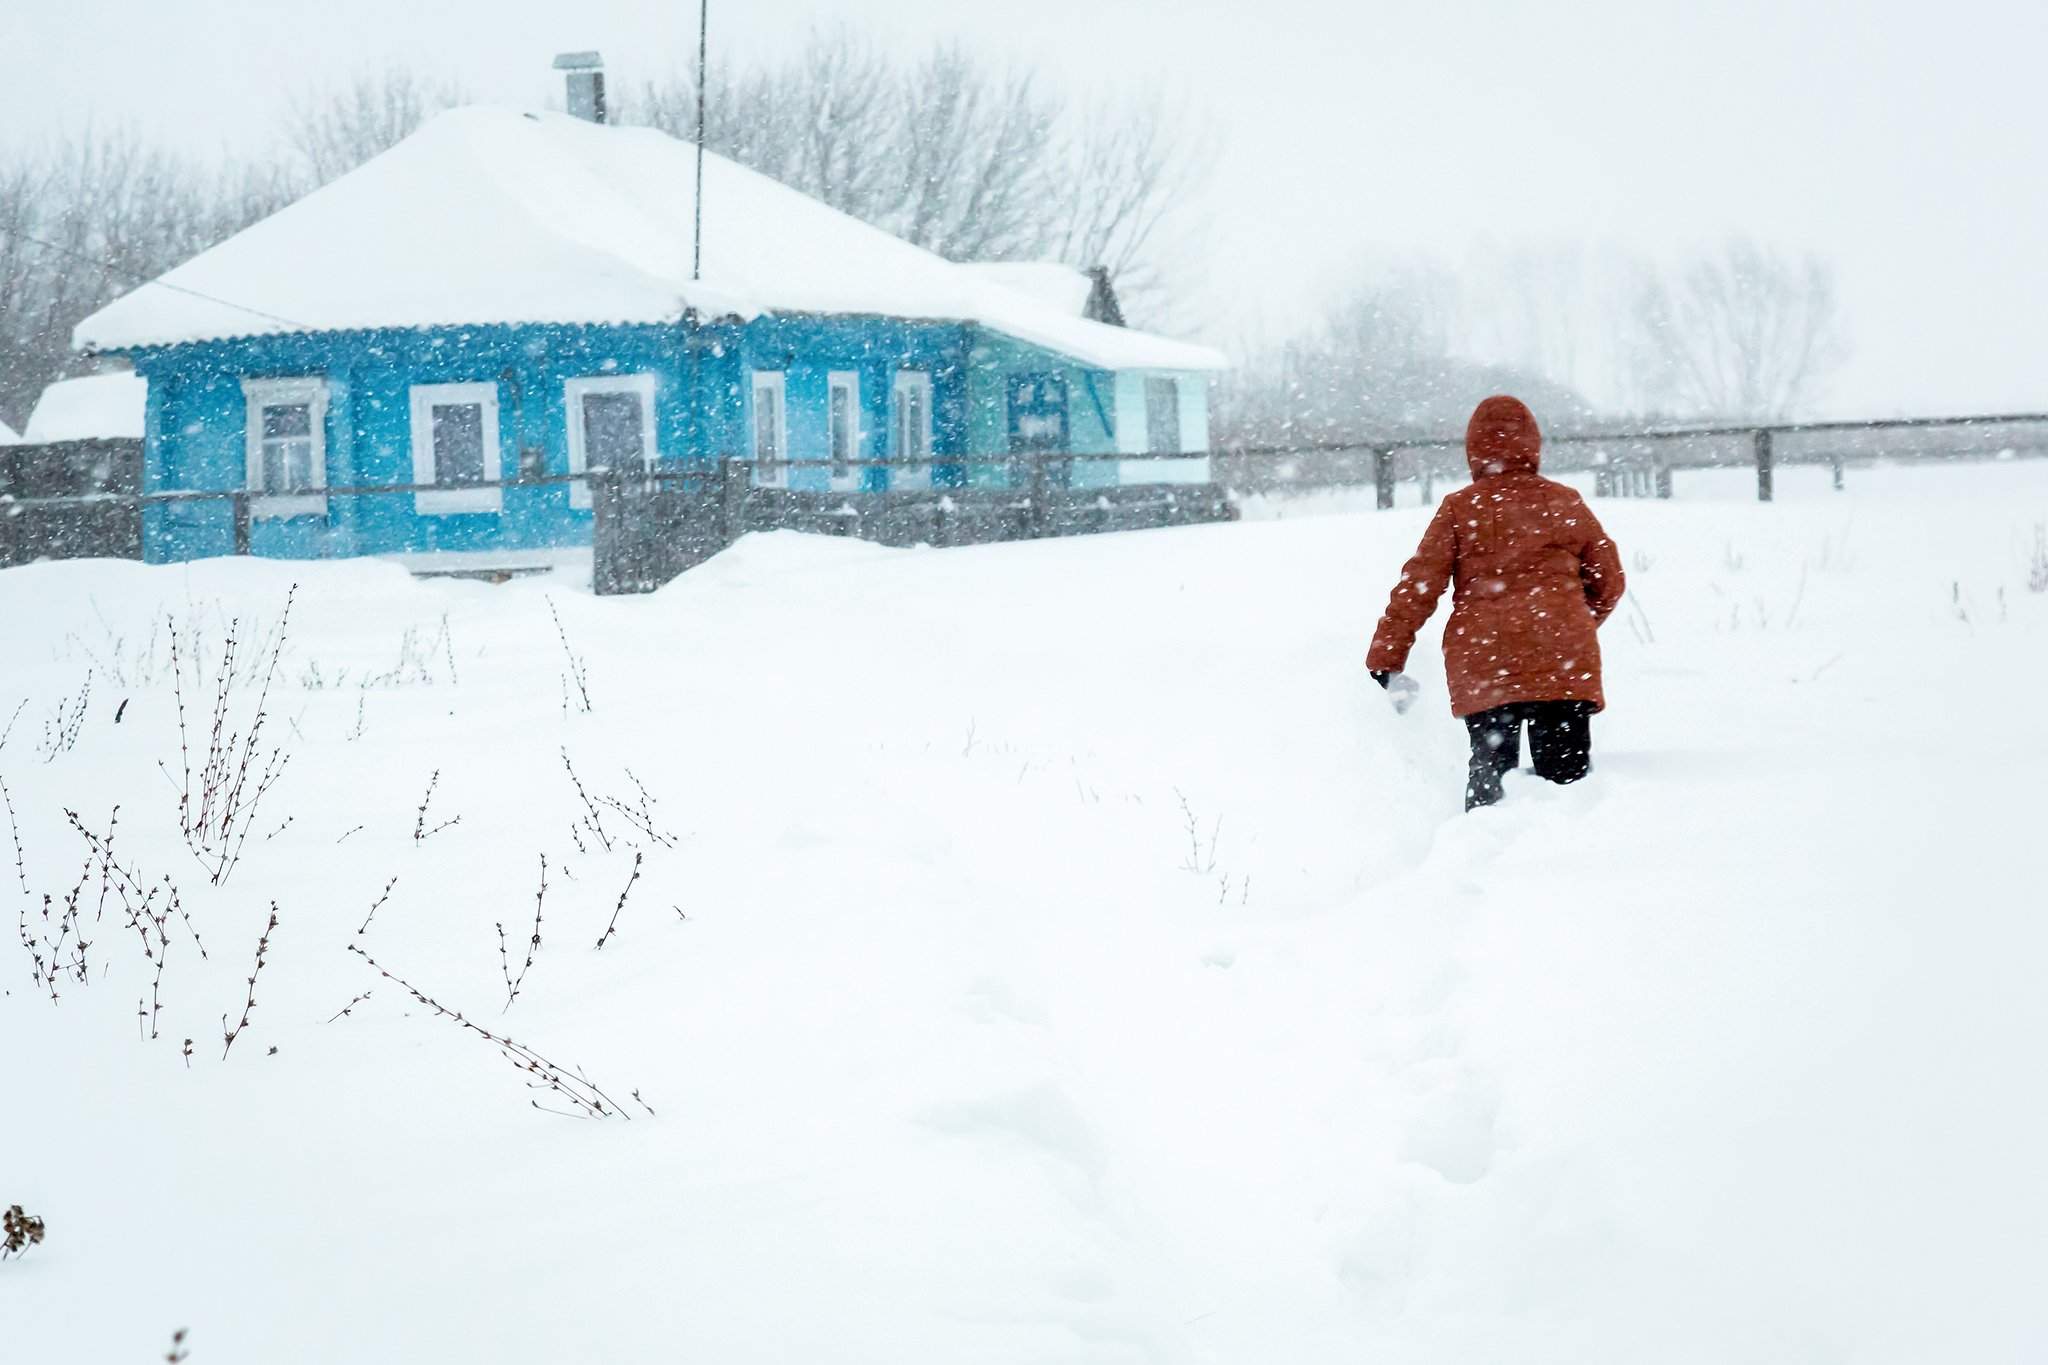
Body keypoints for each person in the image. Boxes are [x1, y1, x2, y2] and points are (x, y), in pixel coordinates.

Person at [1366, 395, 1626, 810]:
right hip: (1562, 663)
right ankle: (1569, 865)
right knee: (1567, 795)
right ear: (1532, 446)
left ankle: (1481, 858)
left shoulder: (1460, 509)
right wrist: (1571, 623)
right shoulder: (1565, 503)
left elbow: (1419, 586)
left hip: (1486, 665)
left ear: (1474, 450)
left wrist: (1387, 654)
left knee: (1493, 791)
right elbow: (1609, 581)